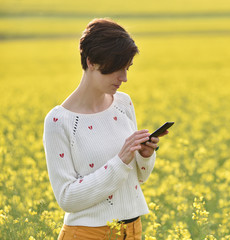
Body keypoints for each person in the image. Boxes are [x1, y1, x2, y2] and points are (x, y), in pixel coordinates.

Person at [43, 18, 167, 240]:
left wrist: (145, 157)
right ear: (91, 62)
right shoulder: (58, 121)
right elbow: (67, 198)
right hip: (87, 234)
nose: (124, 78)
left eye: (127, 69)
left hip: (133, 229)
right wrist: (120, 159)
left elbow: (138, 179)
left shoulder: (124, 104)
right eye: (116, 70)